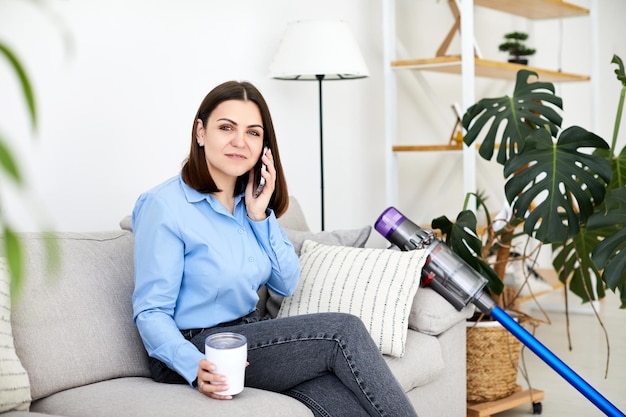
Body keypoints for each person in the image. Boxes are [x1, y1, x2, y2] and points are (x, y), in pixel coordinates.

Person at [131, 80, 418, 417]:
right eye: (226, 128)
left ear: (264, 145)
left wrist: (258, 216)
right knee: (343, 331)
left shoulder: (249, 206)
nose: (240, 141)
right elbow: (150, 312)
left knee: (343, 404)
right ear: (200, 132)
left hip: (250, 335)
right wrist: (195, 365)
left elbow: (286, 283)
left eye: (253, 133)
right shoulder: (164, 205)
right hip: (198, 348)